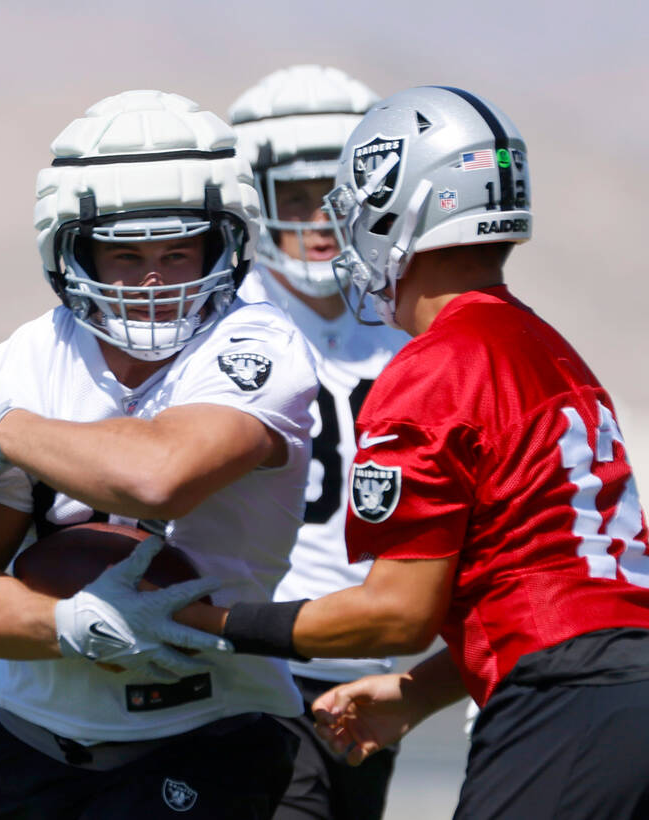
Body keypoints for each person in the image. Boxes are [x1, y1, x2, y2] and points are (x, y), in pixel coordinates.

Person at [173, 85, 649, 818]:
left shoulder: (432, 367)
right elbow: (564, 594)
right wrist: (416, 691)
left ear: (405, 214)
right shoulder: (553, 353)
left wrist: (220, 622)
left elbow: (396, 614)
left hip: (575, 718)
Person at [0, 89, 320, 819]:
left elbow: (158, 476)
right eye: (126, 254)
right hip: (33, 749)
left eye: (177, 250)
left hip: (214, 736)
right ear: (72, 248)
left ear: (223, 240)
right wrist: (66, 624)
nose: (155, 281)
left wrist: (11, 433)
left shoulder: (259, 344)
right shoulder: (18, 365)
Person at [228, 65, 409, 820]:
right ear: (253, 198)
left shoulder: (409, 319)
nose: (319, 218)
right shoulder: (225, 324)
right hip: (261, 665)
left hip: (373, 667)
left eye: (335, 197)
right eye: (296, 197)